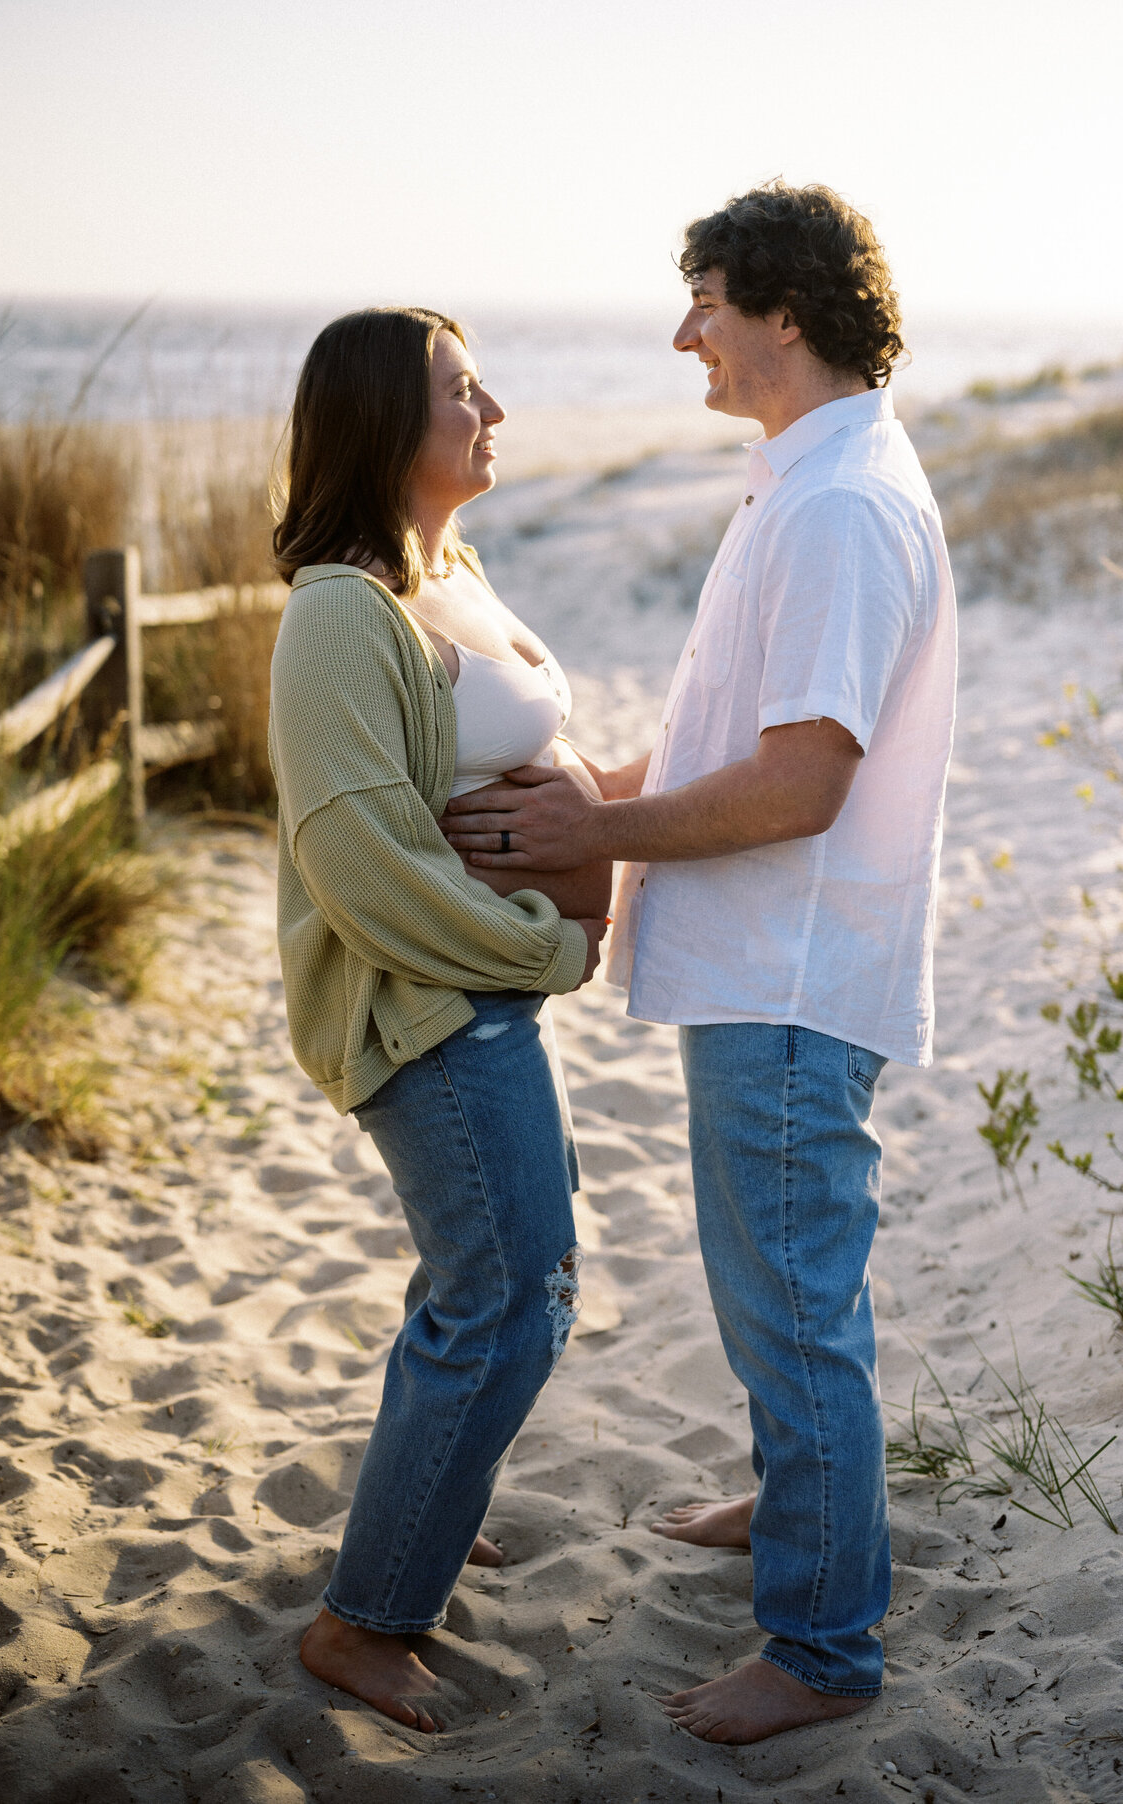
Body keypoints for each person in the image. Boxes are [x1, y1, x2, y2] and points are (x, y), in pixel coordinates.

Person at [441, 182, 957, 1745]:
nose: (686, 335)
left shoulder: (843, 504)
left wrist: (600, 844)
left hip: (792, 982)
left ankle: (821, 1648)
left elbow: (802, 782)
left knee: (798, 1308)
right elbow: (738, 728)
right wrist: (598, 795)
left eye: (709, 303)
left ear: (784, 313)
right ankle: (795, 1509)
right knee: (769, 1295)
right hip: (760, 969)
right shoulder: (803, 479)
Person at [267, 306, 611, 1732]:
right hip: (434, 1013)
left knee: (494, 1281)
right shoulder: (339, 613)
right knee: (510, 1298)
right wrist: (549, 944)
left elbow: (516, 749)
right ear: (382, 426)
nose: (497, 411)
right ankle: (365, 1622)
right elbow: (366, 868)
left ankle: (425, 1500)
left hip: (483, 1003)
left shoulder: (446, 570)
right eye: (464, 393)